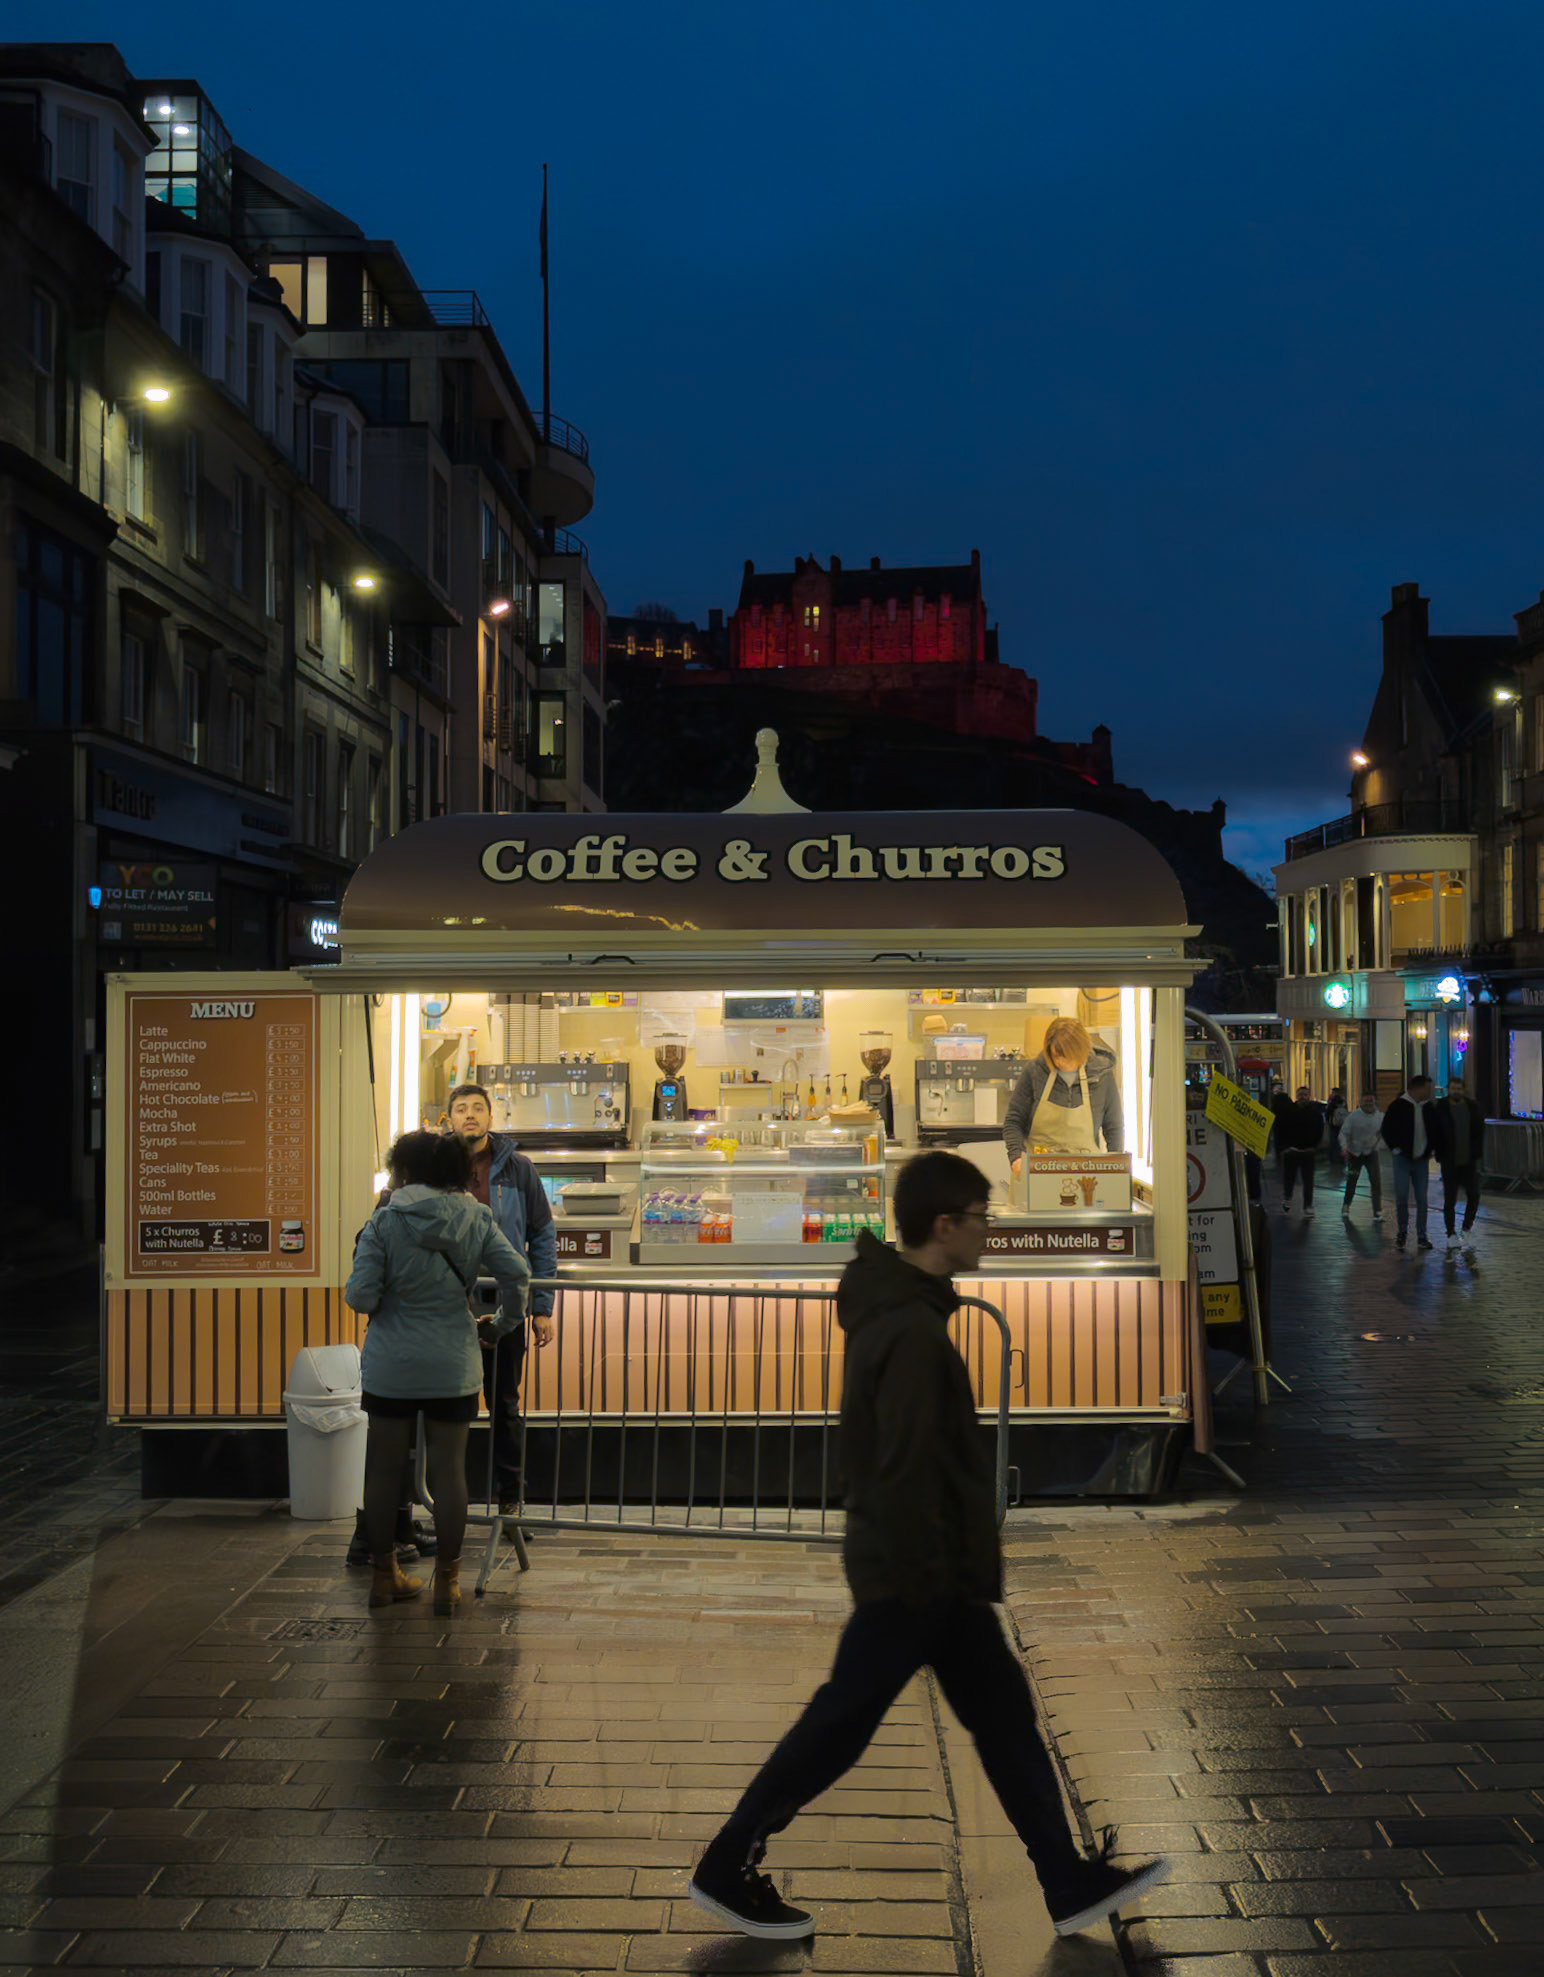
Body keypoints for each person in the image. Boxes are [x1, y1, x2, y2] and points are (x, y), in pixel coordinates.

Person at [687, 1151, 1169, 1943]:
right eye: (980, 1214)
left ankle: (1064, 1876)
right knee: (840, 1725)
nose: (990, 1225)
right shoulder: (911, 1328)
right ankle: (726, 1862)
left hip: (928, 1567)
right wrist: (929, 1575)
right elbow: (906, 1459)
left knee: (1001, 1719)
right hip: (917, 1572)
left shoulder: (904, 1310)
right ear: (944, 1225)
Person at [344, 1129, 530, 1614]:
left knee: (383, 1472)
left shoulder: (384, 1222)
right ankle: (447, 1583)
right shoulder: (476, 1217)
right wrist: (503, 1324)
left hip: (391, 1365)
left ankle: (384, 1578)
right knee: (450, 1473)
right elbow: (517, 1273)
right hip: (452, 1358)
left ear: (403, 1172)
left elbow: (360, 1296)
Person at [446, 1084, 558, 1532]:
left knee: (505, 1408)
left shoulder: (518, 1169)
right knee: (447, 1408)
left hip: (507, 1306)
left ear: (491, 1117)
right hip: (449, 1306)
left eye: (478, 1108)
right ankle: (445, 1509)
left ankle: (511, 1507)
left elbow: (543, 1236)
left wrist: (542, 1305)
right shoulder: (437, 1168)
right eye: (460, 1109)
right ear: (447, 1119)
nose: (470, 1115)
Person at [1004, 1017, 1123, 1176]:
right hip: (1038, 1173)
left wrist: (1115, 1166)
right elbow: (1014, 1121)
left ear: (1082, 1050)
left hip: (1087, 1175)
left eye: (1067, 1056)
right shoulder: (1034, 1072)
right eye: (1056, 1055)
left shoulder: (1101, 1076)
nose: (1061, 1061)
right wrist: (1016, 1157)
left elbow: (1113, 1126)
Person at [1381, 1074, 1436, 1251]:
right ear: (1417, 1088)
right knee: (1402, 1197)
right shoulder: (1398, 1106)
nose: (1430, 1092)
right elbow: (1387, 1129)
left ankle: (1421, 1235)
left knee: (1422, 1199)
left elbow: (1435, 1131)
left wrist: (1430, 1150)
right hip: (1403, 1158)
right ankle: (1402, 1232)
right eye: (1428, 1088)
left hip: (1421, 1159)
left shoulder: (1428, 1108)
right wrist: (1395, 1148)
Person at [1430, 1077, 1485, 1252]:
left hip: (1468, 1160)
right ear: (1448, 1089)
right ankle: (1451, 1233)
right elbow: (1435, 1131)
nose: (1456, 1091)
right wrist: (1438, 1153)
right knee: (1450, 1198)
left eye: (1459, 1089)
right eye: (1453, 1088)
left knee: (1474, 1194)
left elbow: (1478, 1131)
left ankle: (1466, 1228)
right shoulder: (1441, 1107)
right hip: (1449, 1159)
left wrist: (1476, 1153)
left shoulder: (1472, 1107)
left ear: (1463, 1090)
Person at [1276, 1086, 1325, 1216]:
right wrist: (1284, 1147)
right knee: (1289, 1178)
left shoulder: (1315, 1112)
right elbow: (1280, 1129)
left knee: (1308, 1180)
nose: (1303, 1097)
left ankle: (1308, 1204)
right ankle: (1287, 1199)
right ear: (1296, 1096)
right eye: (1301, 1094)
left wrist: (1314, 1146)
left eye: (1305, 1095)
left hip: (1308, 1151)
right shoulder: (1288, 1111)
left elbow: (1320, 1130)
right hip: (1292, 1150)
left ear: (1309, 1096)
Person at [1339, 1092, 1385, 1223]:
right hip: (1355, 1154)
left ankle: (1377, 1210)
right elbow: (1343, 1133)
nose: (1368, 1104)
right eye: (1365, 1101)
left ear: (1375, 1102)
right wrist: (1344, 1147)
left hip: (1371, 1153)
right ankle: (1346, 1206)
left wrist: (1380, 1144)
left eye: (1371, 1101)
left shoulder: (1380, 1117)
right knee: (1352, 1180)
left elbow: (1384, 1133)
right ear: (1360, 1102)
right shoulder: (1353, 1116)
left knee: (1376, 1181)